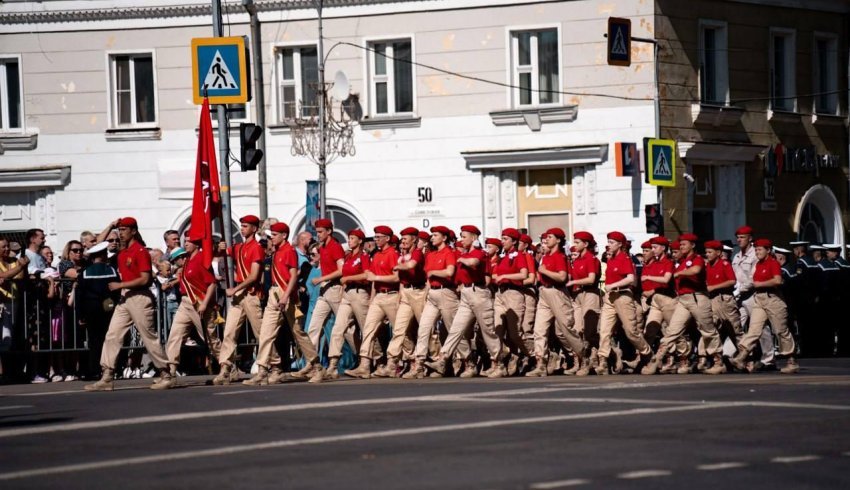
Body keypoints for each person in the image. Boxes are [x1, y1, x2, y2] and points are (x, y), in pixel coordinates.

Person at [84, 217, 173, 391]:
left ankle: (166, 373)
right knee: (112, 335)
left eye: (124, 229)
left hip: (139, 297)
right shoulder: (122, 252)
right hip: (125, 298)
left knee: (149, 337)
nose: (120, 233)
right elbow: (94, 247)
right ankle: (107, 375)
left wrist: (120, 285)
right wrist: (110, 225)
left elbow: (145, 279)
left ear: (133, 231)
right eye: (120, 229)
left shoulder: (140, 251)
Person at [246, 222, 324, 385]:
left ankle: (316, 366)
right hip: (274, 294)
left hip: (286, 294)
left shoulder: (289, 251)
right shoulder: (277, 251)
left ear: (284, 236)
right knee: (266, 333)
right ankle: (262, 370)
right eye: (271, 235)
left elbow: (293, 276)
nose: (271, 238)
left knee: (298, 333)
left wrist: (285, 296)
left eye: (274, 235)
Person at [426, 225, 505, 378]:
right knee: (456, 328)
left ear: (474, 237)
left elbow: (474, 263)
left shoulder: (480, 252)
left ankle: (498, 363)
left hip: (479, 294)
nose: (461, 240)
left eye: (464, 237)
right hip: (467, 294)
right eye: (461, 237)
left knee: (488, 330)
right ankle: (443, 358)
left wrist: (462, 258)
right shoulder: (467, 253)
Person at [212, 215, 270, 385]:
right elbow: (218, 253)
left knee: (261, 334)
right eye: (241, 225)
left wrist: (235, 289)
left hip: (251, 295)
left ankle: (271, 367)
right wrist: (219, 247)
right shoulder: (239, 247)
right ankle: (225, 369)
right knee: (229, 332)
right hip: (239, 296)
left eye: (246, 226)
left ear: (254, 228)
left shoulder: (257, 248)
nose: (242, 228)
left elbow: (254, 276)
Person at [730, 239, 799, 374]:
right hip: (759, 299)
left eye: (760, 249)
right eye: (756, 250)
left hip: (773, 299)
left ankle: (791, 360)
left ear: (768, 250)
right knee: (754, 329)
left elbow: (777, 280)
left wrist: (759, 284)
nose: (757, 252)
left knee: (780, 330)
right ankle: (741, 357)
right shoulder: (759, 265)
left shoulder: (773, 263)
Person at [526, 227, 587, 377]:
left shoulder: (559, 256)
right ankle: (541, 363)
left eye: (550, 237)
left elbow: (562, 277)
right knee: (539, 330)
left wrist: (543, 271)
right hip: (545, 293)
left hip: (558, 293)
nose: (546, 239)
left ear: (558, 240)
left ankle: (583, 357)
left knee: (566, 329)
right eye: (546, 237)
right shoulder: (546, 256)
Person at [661, 234, 724, 375]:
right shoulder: (682, 261)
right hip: (683, 299)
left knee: (707, 330)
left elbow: (696, 270)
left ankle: (718, 362)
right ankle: (657, 358)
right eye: (680, 244)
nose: (681, 246)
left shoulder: (698, 259)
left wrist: (679, 274)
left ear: (692, 245)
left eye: (684, 244)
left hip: (697, 298)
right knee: (673, 330)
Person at [346, 226, 400, 379]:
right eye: (375, 237)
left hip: (392, 295)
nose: (376, 240)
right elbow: (373, 279)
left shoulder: (393, 254)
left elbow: (396, 278)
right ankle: (364, 365)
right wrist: (372, 298)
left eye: (378, 237)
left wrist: (376, 278)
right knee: (368, 329)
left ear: (387, 239)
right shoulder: (376, 255)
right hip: (378, 297)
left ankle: (396, 363)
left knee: (400, 332)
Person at [596, 231, 652, 375]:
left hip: (623, 296)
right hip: (610, 298)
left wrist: (613, 285)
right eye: (608, 242)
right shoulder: (612, 259)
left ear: (620, 244)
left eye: (611, 242)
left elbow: (630, 278)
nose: (608, 245)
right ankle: (602, 360)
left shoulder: (625, 258)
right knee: (604, 330)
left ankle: (647, 354)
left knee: (631, 332)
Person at [407, 226, 460, 379]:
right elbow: (428, 277)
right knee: (424, 328)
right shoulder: (430, 255)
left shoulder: (449, 253)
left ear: (444, 238)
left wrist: (434, 272)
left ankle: (463, 361)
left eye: (435, 235)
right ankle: (419, 364)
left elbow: (450, 272)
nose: (432, 238)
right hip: (433, 294)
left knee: (453, 330)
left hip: (447, 293)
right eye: (432, 235)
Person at [325, 229, 371, 379]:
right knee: (339, 327)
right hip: (347, 294)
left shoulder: (363, 256)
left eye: (352, 238)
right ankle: (333, 365)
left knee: (366, 329)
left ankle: (374, 360)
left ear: (360, 241)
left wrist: (349, 278)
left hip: (360, 292)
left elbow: (367, 274)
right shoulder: (348, 256)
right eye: (349, 238)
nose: (349, 240)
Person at [384, 227, 427, 378]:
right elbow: (402, 279)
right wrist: (400, 296)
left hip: (418, 292)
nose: (403, 241)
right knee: (399, 328)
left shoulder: (417, 253)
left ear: (414, 239)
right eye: (401, 239)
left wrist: (398, 266)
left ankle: (432, 360)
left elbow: (412, 265)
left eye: (405, 238)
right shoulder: (403, 255)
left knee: (425, 328)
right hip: (406, 293)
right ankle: (392, 362)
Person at [305, 218, 346, 373]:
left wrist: (321, 279)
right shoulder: (322, 248)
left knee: (346, 329)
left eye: (321, 232)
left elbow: (341, 270)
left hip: (334, 289)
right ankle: (312, 363)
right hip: (324, 290)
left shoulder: (335, 247)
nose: (318, 234)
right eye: (317, 232)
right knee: (313, 326)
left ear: (329, 231)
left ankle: (365, 357)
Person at [76, 241, 119, 380]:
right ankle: (109, 368)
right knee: (109, 340)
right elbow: (117, 291)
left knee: (94, 341)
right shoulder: (112, 270)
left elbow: (79, 295)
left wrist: (80, 315)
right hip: (108, 308)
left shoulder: (85, 273)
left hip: (91, 310)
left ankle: (94, 369)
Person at [491, 227, 530, 376]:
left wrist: (505, 276)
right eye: (502, 238)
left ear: (514, 241)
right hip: (500, 294)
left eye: (505, 239)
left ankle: (536, 354)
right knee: (497, 330)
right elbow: (496, 275)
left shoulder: (519, 255)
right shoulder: (503, 257)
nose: (502, 241)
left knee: (515, 334)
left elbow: (524, 275)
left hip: (514, 293)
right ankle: (499, 364)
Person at [639, 236, 678, 375]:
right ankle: (651, 360)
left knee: (670, 332)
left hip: (668, 299)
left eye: (655, 247)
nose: (653, 250)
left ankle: (672, 360)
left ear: (663, 248)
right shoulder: (653, 263)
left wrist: (649, 278)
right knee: (650, 330)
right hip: (656, 300)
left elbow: (666, 280)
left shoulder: (668, 262)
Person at [566, 231, 602, 372]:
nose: (574, 245)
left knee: (590, 330)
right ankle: (582, 359)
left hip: (590, 294)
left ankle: (597, 356)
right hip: (578, 295)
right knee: (577, 329)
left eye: (577, 242)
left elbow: (591, 279)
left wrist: (574, 282)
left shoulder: (591, 259)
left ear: (586, 244)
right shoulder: (578, 260)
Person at [703, 240, 743, 363]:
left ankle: (746, 357)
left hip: (725, 300)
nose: (707, 254)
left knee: (735, 330)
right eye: (706, 252)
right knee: (713, 328)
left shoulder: (724, 264)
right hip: (712, 300)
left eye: (710, 252)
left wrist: (714, 287)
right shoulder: (708, 266)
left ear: (718, 252)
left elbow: (732, 281)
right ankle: (716, 359)